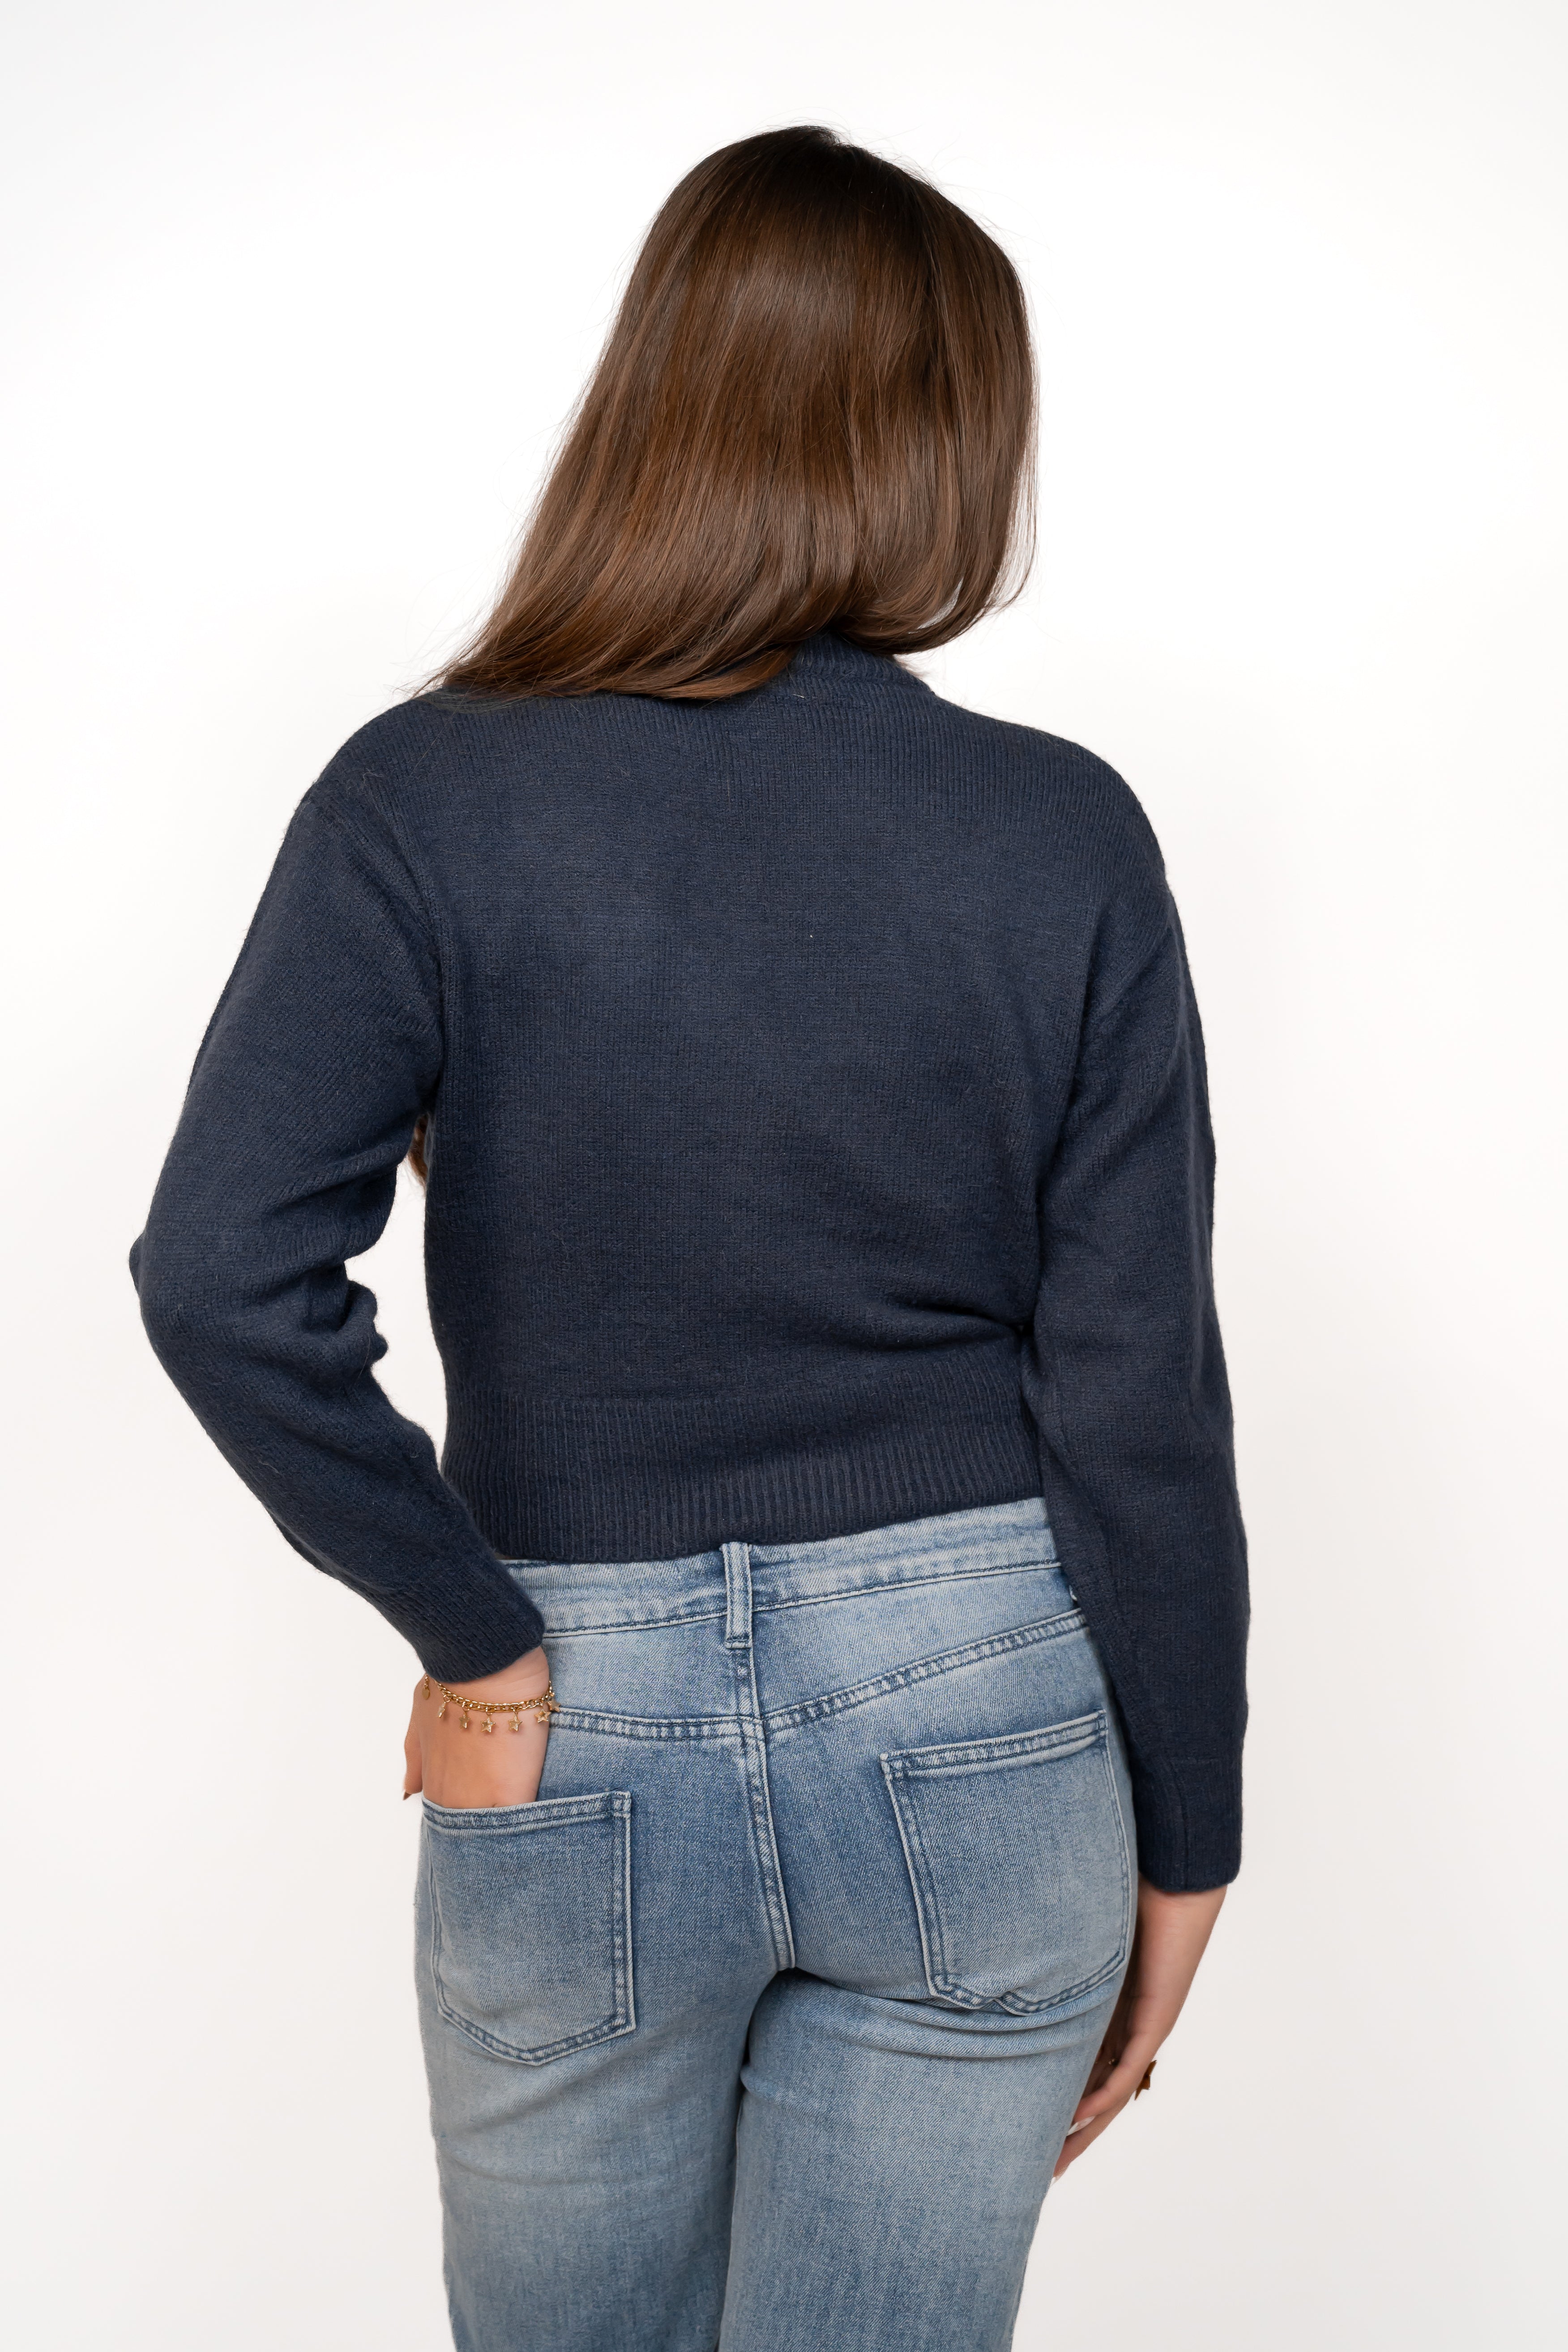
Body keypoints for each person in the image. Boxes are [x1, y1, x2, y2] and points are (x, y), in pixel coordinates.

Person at [132, 124, 1248, 2352]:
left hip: (581, 1719)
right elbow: (1136, 1395)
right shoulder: (1064, 834)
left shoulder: (421, 799)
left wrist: (481, 1639)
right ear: (951, 444)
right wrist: (1191, 1836)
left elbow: (219, 1275)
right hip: (983, 1712)